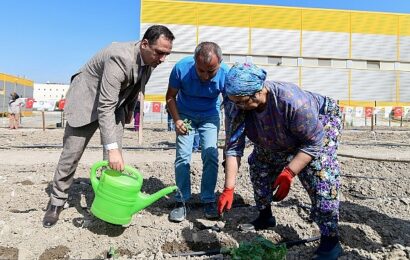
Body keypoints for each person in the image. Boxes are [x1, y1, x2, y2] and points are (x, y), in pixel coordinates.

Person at [42, 25, 174, 228]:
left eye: (167, 54)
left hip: (115, 105)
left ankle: (106, 203)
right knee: (72, 154)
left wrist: (129, 109)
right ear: (145, 44)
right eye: (160, 53)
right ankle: (57, 201)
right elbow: (104, 105)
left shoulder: (150, 60)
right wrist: (110, 148)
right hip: (87, 102)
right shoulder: (119, 56)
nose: (163, 59)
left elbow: (135, 85)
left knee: (113, 161)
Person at [217, 63, 343, 259]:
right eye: (235, 102)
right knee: (260, 164)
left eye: (242, 102)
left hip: (319, 125)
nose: (238, 107)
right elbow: (234, 147)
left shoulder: (292, 102)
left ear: (258, 92)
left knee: (321, 175)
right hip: (276, 129)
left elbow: (313, 143)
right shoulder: (236, 103)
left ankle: (330, 241)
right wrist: (229, 188)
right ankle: (265, 216)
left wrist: (289, 172)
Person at [166, 42, 229, 222]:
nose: (205, 76)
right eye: (201, 70)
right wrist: (177, 119)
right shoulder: (181, 69)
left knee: (210, 155)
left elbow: (230, 104)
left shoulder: (225, 74)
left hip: (210, 116)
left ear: (220, 63)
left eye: (211, 72)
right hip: (185, 115)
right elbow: (170, 96)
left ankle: (208, 199)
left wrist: (230, 135)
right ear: (195, 62)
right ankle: (181, 200)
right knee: (183, 156)